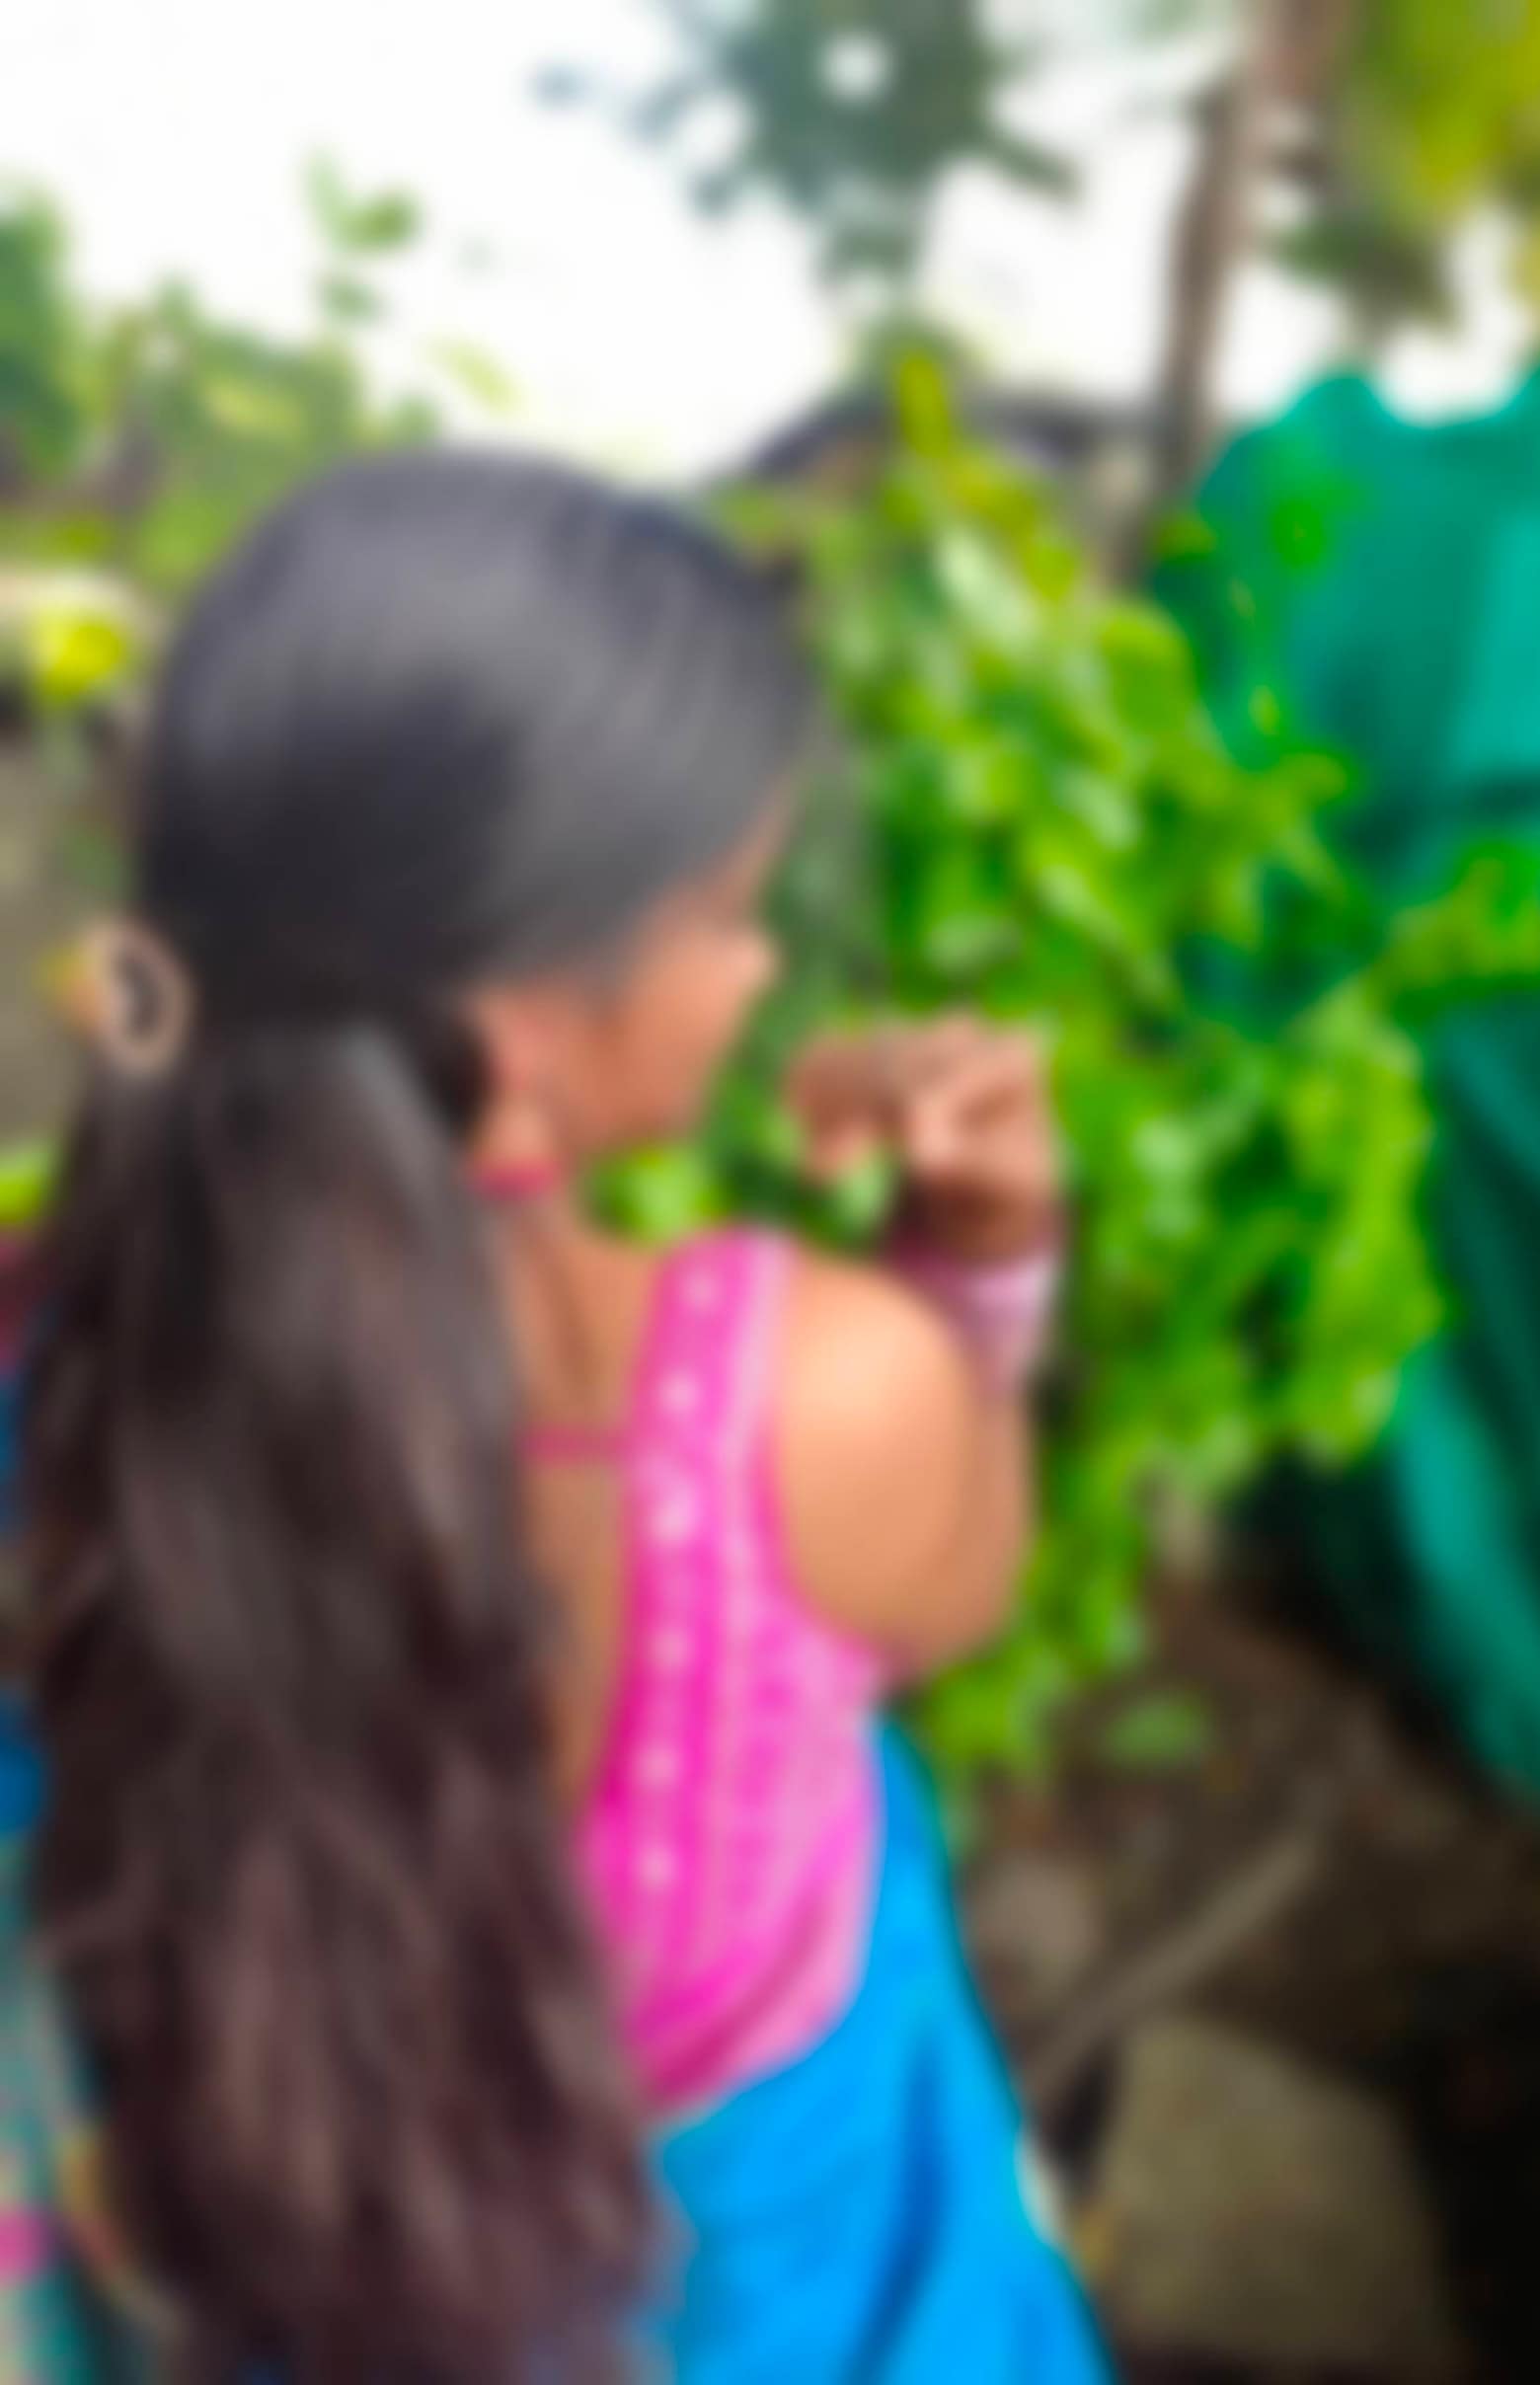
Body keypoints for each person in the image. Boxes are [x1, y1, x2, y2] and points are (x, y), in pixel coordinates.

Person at [0, 452, 1109, 2380]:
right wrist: (979, 1264)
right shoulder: (812, 1401)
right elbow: (971, 1578)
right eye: (731, 910)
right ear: (522, 1024)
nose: (763, 971)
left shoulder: (50, 1340)